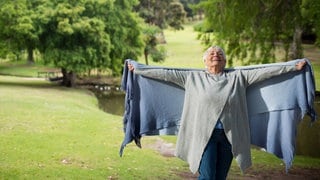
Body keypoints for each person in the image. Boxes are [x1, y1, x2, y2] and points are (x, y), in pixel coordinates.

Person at [127, 46, 306, 180]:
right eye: (212, 53)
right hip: (205, 136)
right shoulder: (192, 78)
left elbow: (266, 71)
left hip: (230, 136)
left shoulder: (238, 77)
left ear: (225, 61)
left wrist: (293, 67)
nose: (216, 55)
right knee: (208, 176)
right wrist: (140, 69)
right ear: (204, 61)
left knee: (220, 177)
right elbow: (165, 73)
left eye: (220, 54)